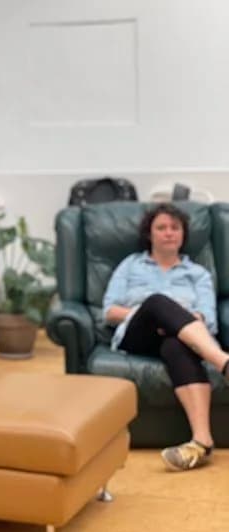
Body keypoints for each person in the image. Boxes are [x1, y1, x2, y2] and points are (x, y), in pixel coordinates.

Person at [103, 202, 229, 471]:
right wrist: (152, 313)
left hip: (183, 338)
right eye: (161, 227)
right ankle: (223, 362)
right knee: (157, 302)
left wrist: (174, 323)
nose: (169, 232)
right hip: (138, 334)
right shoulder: (130, 265)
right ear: (150, 234)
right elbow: (110, 311)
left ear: (183, 234)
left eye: (175, 227)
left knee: (174, 346)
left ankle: (202, 442)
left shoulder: (198, 274)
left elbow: (206, 318)